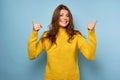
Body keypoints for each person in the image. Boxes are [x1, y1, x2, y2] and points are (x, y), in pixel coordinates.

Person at [28, 4, 97, 80]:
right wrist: (34, 32)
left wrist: (91, 32)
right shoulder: (47, 36)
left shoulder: (76, 36)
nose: (65, 18)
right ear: (55, 17)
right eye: (61, 15)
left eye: (67, 16)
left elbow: (90, 55)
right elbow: (32, 55)